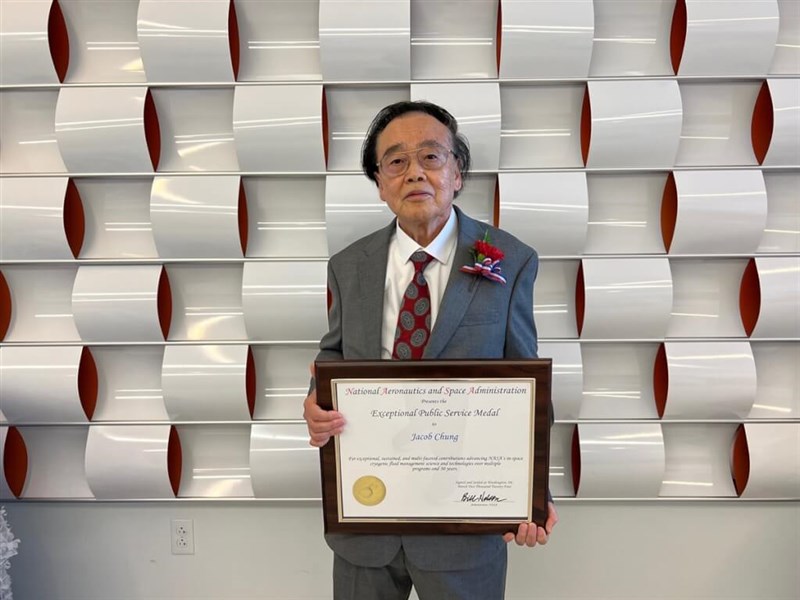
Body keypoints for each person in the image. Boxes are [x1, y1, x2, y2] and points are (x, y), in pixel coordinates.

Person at [303, 100, 558, 600]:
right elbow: (334, 357)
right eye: (396, 161)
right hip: (367, 518)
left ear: (457, 172)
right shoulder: (348, 265)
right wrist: (316, 401)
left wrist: (531, 491)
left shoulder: (510, 259)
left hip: (464, 523)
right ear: (379, 182)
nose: (414, 172)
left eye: (431, 157)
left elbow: (526, 384)